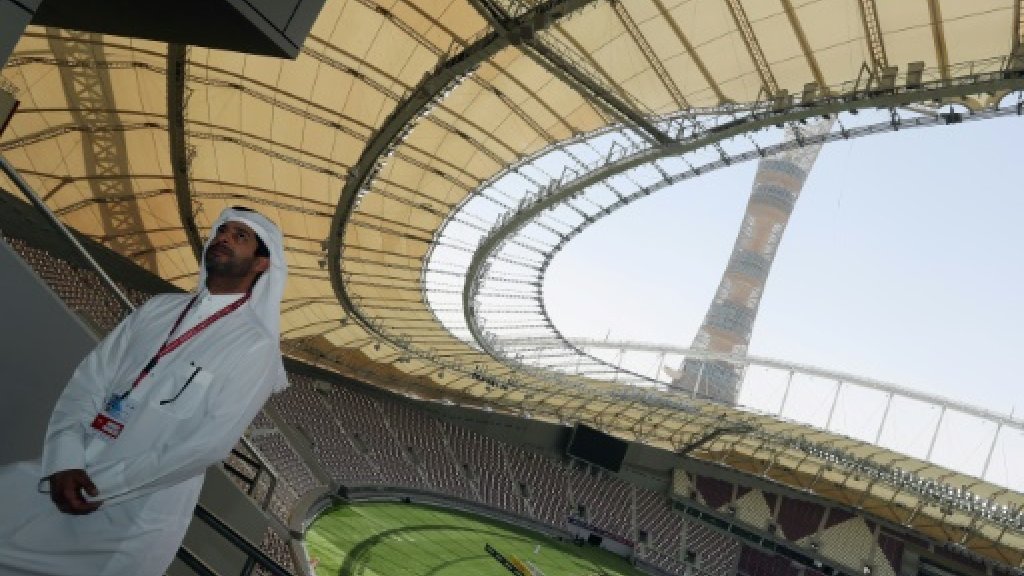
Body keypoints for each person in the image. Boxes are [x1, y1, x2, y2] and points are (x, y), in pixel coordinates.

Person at [0, 206, 289, 576]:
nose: (223, 239)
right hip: (65, 475)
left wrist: (105, 484)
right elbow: (89, 380)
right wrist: (66, 459)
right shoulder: (158, 309)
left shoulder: (254, 346)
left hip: (131, 519)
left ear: (262, 263)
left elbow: (206, 444)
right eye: (222, 231)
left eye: (240, 236)